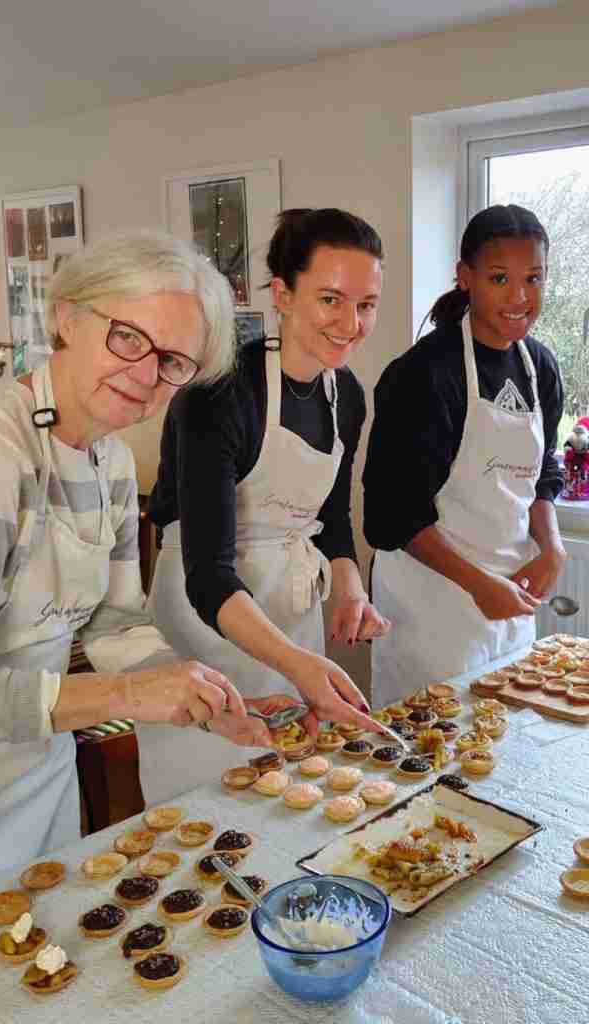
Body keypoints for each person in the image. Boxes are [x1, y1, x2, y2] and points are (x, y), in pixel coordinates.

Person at [0, 230, 274, 903]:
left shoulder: (110, 461)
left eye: (174, 361)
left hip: (39, 775)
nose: (147, 375)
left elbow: (114, 626)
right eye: (128, 338)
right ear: (66, 316)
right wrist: (122, 698)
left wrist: (204, 699)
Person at [144, 208, 389, 805]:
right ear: (282, 292)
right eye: (331, 300)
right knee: (203, 801)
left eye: (367, 304)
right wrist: (296, 663)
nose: (351, 323)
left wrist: (350, 589)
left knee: (289, 795)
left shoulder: (346, 394)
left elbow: (330, 519)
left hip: (290, 614)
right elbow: (208, 575)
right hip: (205, 625)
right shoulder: (219, 393)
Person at [363, 204, 565, 708]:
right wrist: (478, 585)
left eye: (534, 279)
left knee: (505, 744)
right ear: (465, 278)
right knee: (428, 753)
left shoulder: (539, 365)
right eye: (500, 278)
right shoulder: (423, 375)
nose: (520, 297)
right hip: (431, 608)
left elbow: (541, 478)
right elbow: (392, 516)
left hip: (509, 599)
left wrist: (553, 550)